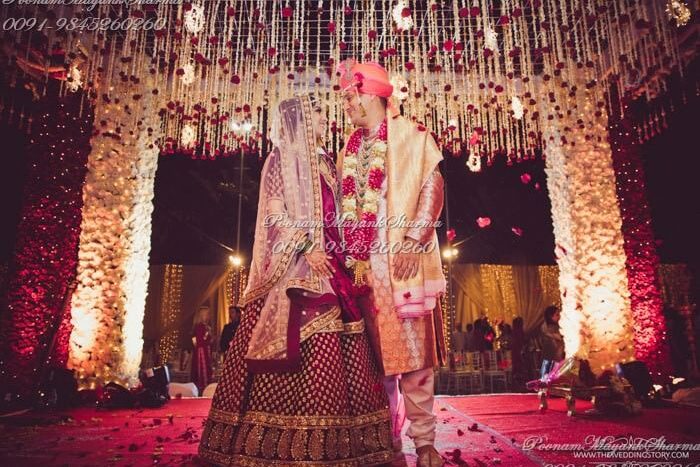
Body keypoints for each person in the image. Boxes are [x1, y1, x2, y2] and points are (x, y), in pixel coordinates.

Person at [198, 95, 392, 466]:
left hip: (333, 268)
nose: (324, 122)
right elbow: (275, 213)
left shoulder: (327, 164)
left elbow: (340, 214)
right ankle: (281, 443)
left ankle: (342, 444)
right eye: (317, 116)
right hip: (296, 270)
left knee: (341, 354)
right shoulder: (279, 160)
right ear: (298, 122)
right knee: (307, 350)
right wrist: (305, 246)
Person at [337, 60, 446, 467]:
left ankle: (424, 443)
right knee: (374, 363)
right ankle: (385, 438)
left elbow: (432, 189)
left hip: (404, 262)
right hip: (363, 270)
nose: (346, 105)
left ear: (373, 94)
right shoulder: (348, 148)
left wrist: (413, 241)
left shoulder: (413, 136)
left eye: (351, 96)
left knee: (415, 360)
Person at [191, 305, 213, 393]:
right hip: (201, 352)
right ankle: (202, 388)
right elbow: (200, 341)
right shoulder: (200, 326)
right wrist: (207, 336)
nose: (208, 316)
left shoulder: (205, 326)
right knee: (202, 371)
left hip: (205, 351)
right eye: (207, 314)